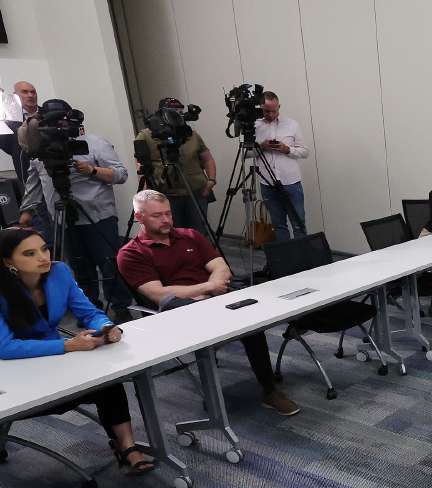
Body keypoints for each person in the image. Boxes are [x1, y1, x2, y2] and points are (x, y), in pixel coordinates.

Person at [116, 190, 300, 416]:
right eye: (157, 216)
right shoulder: (131, 253)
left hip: (212, 298)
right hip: (172, 313)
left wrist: (212, 287)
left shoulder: (190, 235)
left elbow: (221, 267)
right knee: (212, 320)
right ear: (139, 217)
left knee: (251, 323)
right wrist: (208, 288)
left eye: (168, 214)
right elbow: (158, 293)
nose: (165, 220)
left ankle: (270, 390)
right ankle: (213, 396)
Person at [0, 226, 154, 475]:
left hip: (55, 361)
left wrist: (106, 327)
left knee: (108, 381)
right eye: (29, 253)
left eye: (44, 248)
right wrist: (67, 345)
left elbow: (89, 312)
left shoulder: (59, 272)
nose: (43, 257)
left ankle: (126, 448)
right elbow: (5, 348)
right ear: (8, 261)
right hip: (12, 373)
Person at [17, 99, 132, 314]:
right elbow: (33, 185)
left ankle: (121, 308)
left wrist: (92, 170)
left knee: (109, 264)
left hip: (98, 216)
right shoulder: (40, 150)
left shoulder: (95, 142)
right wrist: (25, 212)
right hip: (63, 220)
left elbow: (121, 174)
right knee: (79, 268)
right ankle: (89, 311)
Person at [134, 97, 217, 233]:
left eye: (180, 112)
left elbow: (207, 159)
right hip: (166, 196)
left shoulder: (191, 135)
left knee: (198, 233)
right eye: (173, 112)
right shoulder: (146, 136)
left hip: (196, 193)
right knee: (173, 235)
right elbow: (141, 167)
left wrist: (211, 181)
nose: (178, 116)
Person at [253, 91, 310, 241]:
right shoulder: (255, 126)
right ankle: (287, 259)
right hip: (267, 183)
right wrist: (261, 147)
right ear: (260, 108)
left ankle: (303, 260)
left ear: (279, 107)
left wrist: (287, 149)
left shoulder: (292, 124)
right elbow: (245, 154)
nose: (271, 114)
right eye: (266, 111)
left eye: (274, 110)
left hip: (291, 182)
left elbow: (305, 152)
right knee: (278, 225)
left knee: (299, 223)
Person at [0, 81, 39, 185]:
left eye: (33, 92)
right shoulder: (8, 123)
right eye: (25, 92)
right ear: (15, 96)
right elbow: (8, 146)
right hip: (30, 178)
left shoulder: (49, 114)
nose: (30, 95)